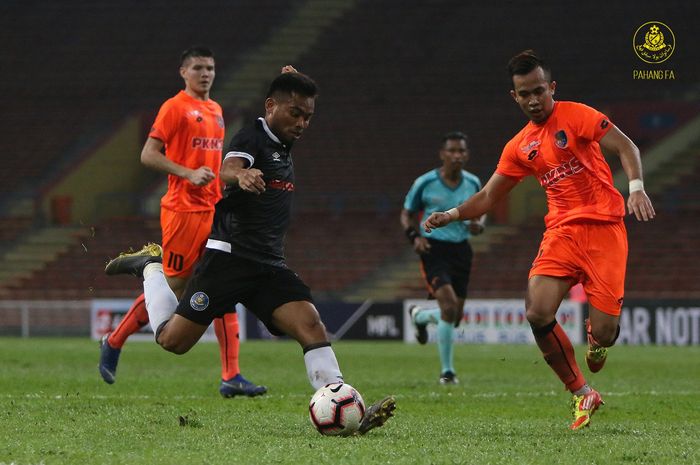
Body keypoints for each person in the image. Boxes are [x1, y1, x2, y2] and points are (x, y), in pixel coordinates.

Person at [104, 70, 396, 434]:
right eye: (295, 113)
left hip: (269, 265)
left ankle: (344, 406)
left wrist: (291, 76)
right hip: (229, 259)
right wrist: (240, 177)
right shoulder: (252, 136)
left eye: (308, 116)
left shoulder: (284, 143)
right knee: (172, 342)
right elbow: (228, 166)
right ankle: (151, 266)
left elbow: (286, 104)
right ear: (270, 106)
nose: (302, 122)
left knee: (311, 324)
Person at [424, 50, 655, 430]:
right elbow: (487, 196)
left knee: (607, 333)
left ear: (551, 88)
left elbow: (625, 146)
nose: (533, 100)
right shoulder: (519, 146)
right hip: (561, 233)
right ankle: (583, 393)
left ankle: (597, 340)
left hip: (605, 231)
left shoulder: (577, 115)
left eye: (539, 92)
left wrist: (636, 188)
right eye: (524, 94)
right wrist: (451, 214)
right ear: (514, 96)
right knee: (537, 311)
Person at [99, 46, 266, 398]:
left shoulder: (216, 110)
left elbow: (214, 163)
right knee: (174, 289)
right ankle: (114, 340)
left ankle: (231, 375)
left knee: (225, 283)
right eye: (198, 68)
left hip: (213, 210)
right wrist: (187, 173)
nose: (205, 74)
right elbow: (148, 155)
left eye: (211, 68)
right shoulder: (174, 108)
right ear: (183, 72)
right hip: (182, 212)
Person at [400, 131, 485, 384]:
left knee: (454, 317)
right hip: (433, 249)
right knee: (448, 307)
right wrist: (415, 237)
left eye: (461, 151)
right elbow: (406, 213)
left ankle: (420, 316)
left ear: (467, 155)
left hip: (462, 251)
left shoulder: (473, 183)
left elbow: (482, 212)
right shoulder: (425, 183)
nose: (457, 156)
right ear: (443, 154)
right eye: (452, 151)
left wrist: (479, 225)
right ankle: (447, 372)